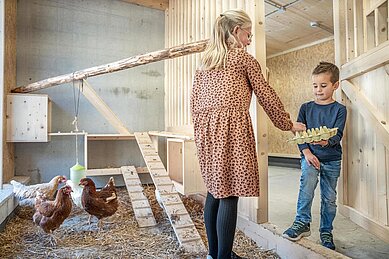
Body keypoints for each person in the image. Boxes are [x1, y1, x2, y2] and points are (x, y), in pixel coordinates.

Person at [190, 9, 306, 259]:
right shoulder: (243, 59)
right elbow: (265, 94)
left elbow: (194, 102)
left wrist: (200, 133)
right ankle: (223, 257)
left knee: (214, 190)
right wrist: (287, 123)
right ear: (235, 31)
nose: (250, 40)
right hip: (231, 130)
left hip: (205, 131)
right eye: (248, 34)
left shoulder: (204, 63)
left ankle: (215, 254)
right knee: (229, 193)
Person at [282, 62, 347, 251]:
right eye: (315, 85)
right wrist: (308, 152)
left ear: (335, 85)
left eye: (323, 86)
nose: (318, 90)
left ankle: (326, 231)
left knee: (329, 198)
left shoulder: (340, 110)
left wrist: (326, 142)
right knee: (306, 190)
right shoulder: (306, 108)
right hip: (310, 157)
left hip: (332, 159)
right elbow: (300, 134)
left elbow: (338, 135)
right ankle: (302, 222)